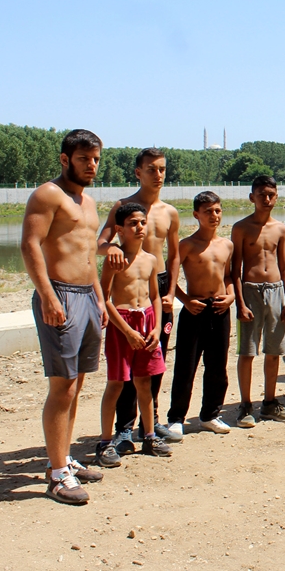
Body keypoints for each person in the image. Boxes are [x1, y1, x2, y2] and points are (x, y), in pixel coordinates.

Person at [20, 128, 107, 505]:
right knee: (63, 385)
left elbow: (88, 256)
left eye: (96, 159)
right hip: (60, 296)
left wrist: (101, 300)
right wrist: (47, 296)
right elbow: (30, 244)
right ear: (64, 159)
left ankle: (64, 458)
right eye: (84, 158)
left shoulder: (88, 202)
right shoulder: (47, 194)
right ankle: (57, 476)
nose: (91, 165)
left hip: (87, 296)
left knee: (79, 382)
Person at [96, 148, 181, 452]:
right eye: (151, 169)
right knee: (123, 372)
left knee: (153, 363)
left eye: (162, 169)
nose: (158, 175)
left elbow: (174, 255)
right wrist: (112, 251)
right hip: (125, 280)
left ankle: (151, 424)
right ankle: (122, 428)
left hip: (155, 289)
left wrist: (172, 291)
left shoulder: (169, 212)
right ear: (138, 172)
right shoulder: (124, 207)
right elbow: (102, 242)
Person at [97, 202, 170, 465]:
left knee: (144, 382)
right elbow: (105, 298)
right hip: (122, 324)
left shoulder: (150, 259)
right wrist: (126, 330)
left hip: (147, 322)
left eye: (142, 222)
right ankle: (105, 442)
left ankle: (149, 435)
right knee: (116, 383)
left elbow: (155, 296)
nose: (139, 228)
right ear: (120, 230)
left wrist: (156, 328)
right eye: (132, 224)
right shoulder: (114, 260)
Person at [163, 192, 235, 438]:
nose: (214, 215)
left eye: (217, 210)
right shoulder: (187, 245)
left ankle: (210, 415)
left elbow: (228, 276)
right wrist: (185, 300)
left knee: (217, 366)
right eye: (208, 211)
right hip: (195, 310)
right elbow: (168, 278)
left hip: (220, 309)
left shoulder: (227, 245)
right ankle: (176, 418)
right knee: (186, 366)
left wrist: (231, 296)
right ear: (196, 215)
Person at [231, 175, 285, 427]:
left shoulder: (281, 229)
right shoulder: (241, 228)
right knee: (247, 351)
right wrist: (240, 303)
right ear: (252, 197)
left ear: (276, 196)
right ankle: (245, 405)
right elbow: (235, 269)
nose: (266, 199)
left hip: (276, 290)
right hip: (250, 291)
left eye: (270, 194)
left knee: (274, 350)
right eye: (261, 194)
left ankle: (269, 403)